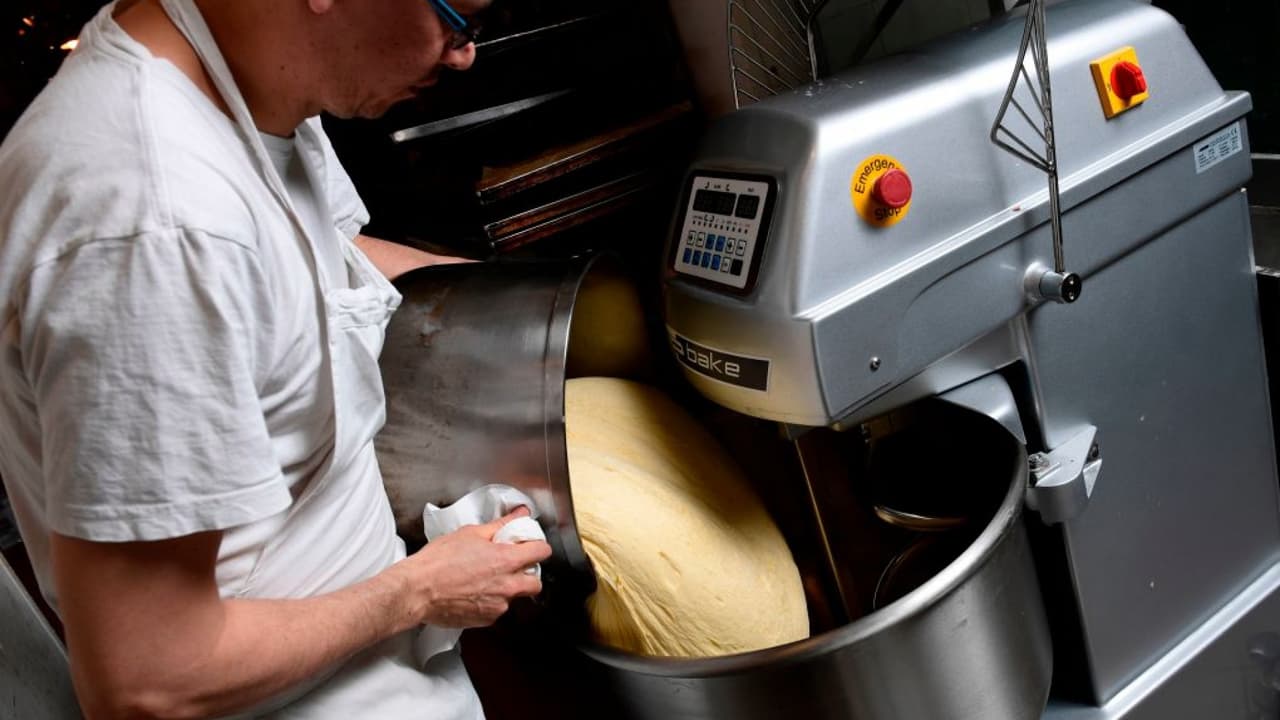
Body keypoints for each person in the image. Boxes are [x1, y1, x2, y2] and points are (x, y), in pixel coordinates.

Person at [0, 0, 553, 717]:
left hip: (379, 671)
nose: (463, 51)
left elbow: (322, 260)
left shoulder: (253, 71)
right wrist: (420, 592)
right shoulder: (153, 225)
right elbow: (151, 679)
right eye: (456, 14)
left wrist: (549, 311)